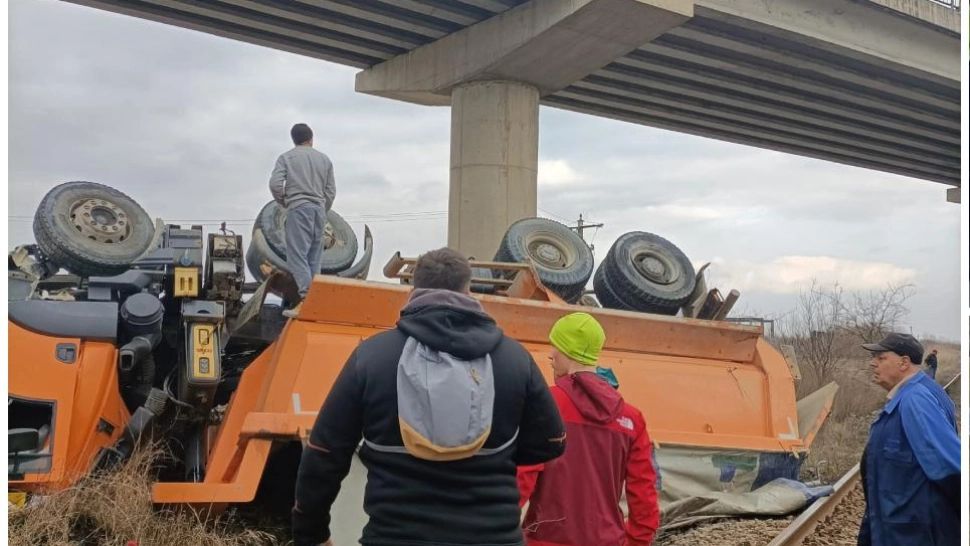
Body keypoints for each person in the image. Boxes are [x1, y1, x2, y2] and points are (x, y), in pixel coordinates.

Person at [292, 247, 566, 546]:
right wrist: (495, 454)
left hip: (395, 537)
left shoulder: (372, 357)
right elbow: (551, 442)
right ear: (468, 289)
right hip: (493, 537)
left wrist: (312, 534)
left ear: (413, 289)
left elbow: (324, 453)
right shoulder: (514, 360)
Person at [518, 312, 660, 546]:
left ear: (567, 352)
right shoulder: (632, 419)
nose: (551, 354)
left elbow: (521, 478)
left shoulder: (544, 405)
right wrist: (635, 541)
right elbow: (644, 496)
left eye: (556, 346)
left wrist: (494, 530)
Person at [858, 333, 959, 546]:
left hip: (913, 535)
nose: (873, 363)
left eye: (881, 358)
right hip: (904, 530)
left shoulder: (915, 400)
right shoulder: (915, 393)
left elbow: (951, 469)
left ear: (904, 363)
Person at [268, 123, 336, 318]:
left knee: (297, 256)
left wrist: (286, 202)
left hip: (298, 208)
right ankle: (316, 301)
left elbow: (275, 184)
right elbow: (331, 190)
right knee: (314, 258)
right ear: (311, 138)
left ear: (293, 139)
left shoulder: (287, 158)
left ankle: (308, 300)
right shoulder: (324, 159)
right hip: (319, 211)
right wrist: (322, 207)